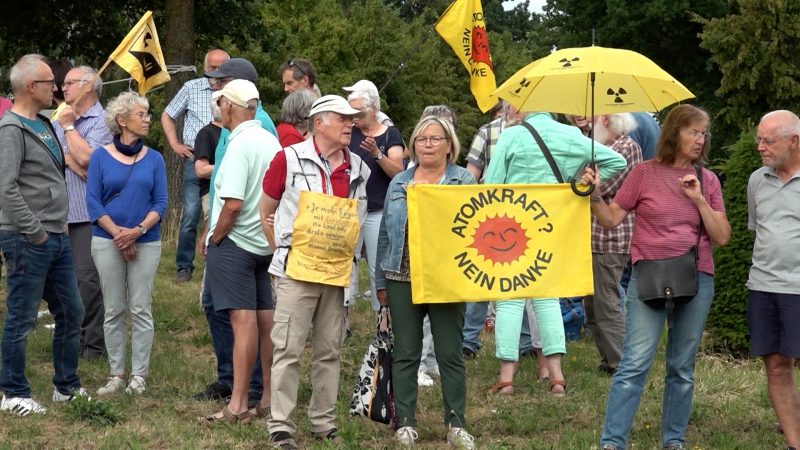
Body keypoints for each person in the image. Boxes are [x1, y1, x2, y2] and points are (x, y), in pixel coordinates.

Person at [586, 104, 731, 450]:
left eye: (703, 133)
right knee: (634, 363)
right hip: (648, 276)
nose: (700, 139)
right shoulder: (643, 174)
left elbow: (722, 236)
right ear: (673, 133)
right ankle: (612, 442)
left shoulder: (706, 180)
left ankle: (674, 440)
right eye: (693, 132)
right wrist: (592, 193)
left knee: (681, 366)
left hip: (696, 278)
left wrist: (698, 199)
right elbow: (610, 219)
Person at [484, 110, 627, 397]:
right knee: (548, 296)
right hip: (552, 224)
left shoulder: (511, 136)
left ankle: (507, 379)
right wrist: (579, 185)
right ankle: (557, 378)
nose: (511, 110)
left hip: (511, 225)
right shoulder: (571, 135)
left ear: (524, 109)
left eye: (514, 106)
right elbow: (616, 161)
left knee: (510, 298)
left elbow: (491, 185)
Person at [262, 95, 370, 448]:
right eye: (342, 118)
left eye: (352, 118)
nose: (350, 124)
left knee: (330, 350)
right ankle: (280, 425)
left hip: (338, 275)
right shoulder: (287, 158)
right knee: (289, 348)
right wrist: (282, 250)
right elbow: (266, 210)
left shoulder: (358, 168)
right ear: (319, 122)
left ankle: (323, 422)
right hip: (297, 273)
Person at [375, 115, 476, 449]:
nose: (427, 144)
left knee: (449, 351)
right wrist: (380, 280)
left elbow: (475, 230)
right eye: (421, 139)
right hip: (401, 274)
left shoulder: (463, 182)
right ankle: (405, 423)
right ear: (412, 145)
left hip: (445, 277)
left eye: (435, 139)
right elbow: (386, 234)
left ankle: (456, 424)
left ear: (449, 146)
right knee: (406, 351)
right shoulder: (399, 181)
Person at [0, 54, 88, 416]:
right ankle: (12, 392)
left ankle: (65, 387)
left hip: (56, 235)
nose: (57, 87)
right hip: (27, 237)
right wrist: (35, 231)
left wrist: (59, 225)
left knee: (72, 310)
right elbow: (5, 188)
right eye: (51, 81)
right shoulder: (11, 130)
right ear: (30, 87)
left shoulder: (44, 124)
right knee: (21, 316)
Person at [198, 80, 281, 424]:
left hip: (235, 244)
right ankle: (271, 400)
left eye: (220, 103)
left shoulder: (238, 144)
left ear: (229, 106)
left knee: (242, 322)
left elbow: (231, 204)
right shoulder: (271, 140)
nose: (219, 109)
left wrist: (215, 238)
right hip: (264, 243)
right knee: (266, 322)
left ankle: (238, 404)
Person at [86, 92, 167, 396]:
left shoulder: (156, 159)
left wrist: (136, 231)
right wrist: (119, 235)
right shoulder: (100, 156)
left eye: (148, 114)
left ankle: (139, 376)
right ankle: (117, 374)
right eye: (141, 114)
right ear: (122, 120)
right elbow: (93, 202)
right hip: (106, 241)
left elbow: (160, 203)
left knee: (141, 307)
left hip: (146, 242)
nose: (147, 119)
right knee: (114, 308)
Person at [52, 65, 113, 361]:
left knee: (88, 281)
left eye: (69, 83)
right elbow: (51, 158)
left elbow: (90, 161)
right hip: (59, 212)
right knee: (66, 281)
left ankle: (94, 345)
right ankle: (73, 338)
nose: (63, 89)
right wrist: (67, 157)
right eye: (62, 84)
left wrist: (68, 130)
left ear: (89, 86)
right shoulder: (60, 117)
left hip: (89, 213)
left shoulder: (102, 121)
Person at [747, 110, 800, 450]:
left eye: (768, 141)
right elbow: (759, 230)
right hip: (764, 287)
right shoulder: (757, 180)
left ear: (794, 142)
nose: (761, 148)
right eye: (758, 140)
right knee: (777, 365)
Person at [162, 48, 230, 283]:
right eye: (213, 67)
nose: (217, 73)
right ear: (205, 67)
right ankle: (184, 266)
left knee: (226, 211)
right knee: (191, 214)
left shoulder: (235, 92)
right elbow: (168, 115)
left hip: (227, 159)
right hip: (195, 159)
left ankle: (221, 264)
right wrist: (175, 144)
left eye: (222, 68)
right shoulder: (191, 88)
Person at [583, 113, 642, 376]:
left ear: (606, 120)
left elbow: (602, 186)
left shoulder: (625, 148)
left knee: (606, 302)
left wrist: (586, 180)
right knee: (593, 304)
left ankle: (621, 364)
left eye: (596, 119)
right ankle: (609, 360)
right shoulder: (606, 148)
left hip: (611, 235)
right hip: (596, 235)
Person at [347, 86, 405, 312]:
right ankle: (344, 318)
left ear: (373, 110)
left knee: (376, 269)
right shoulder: (348, 132)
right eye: (351, 113)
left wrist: (377, 154)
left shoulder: (391, 135)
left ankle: (381, 320)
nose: (354, 118)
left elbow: (398, 174)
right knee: (346, 265)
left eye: (358, 113)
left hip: (377, 211)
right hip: (349, 209)